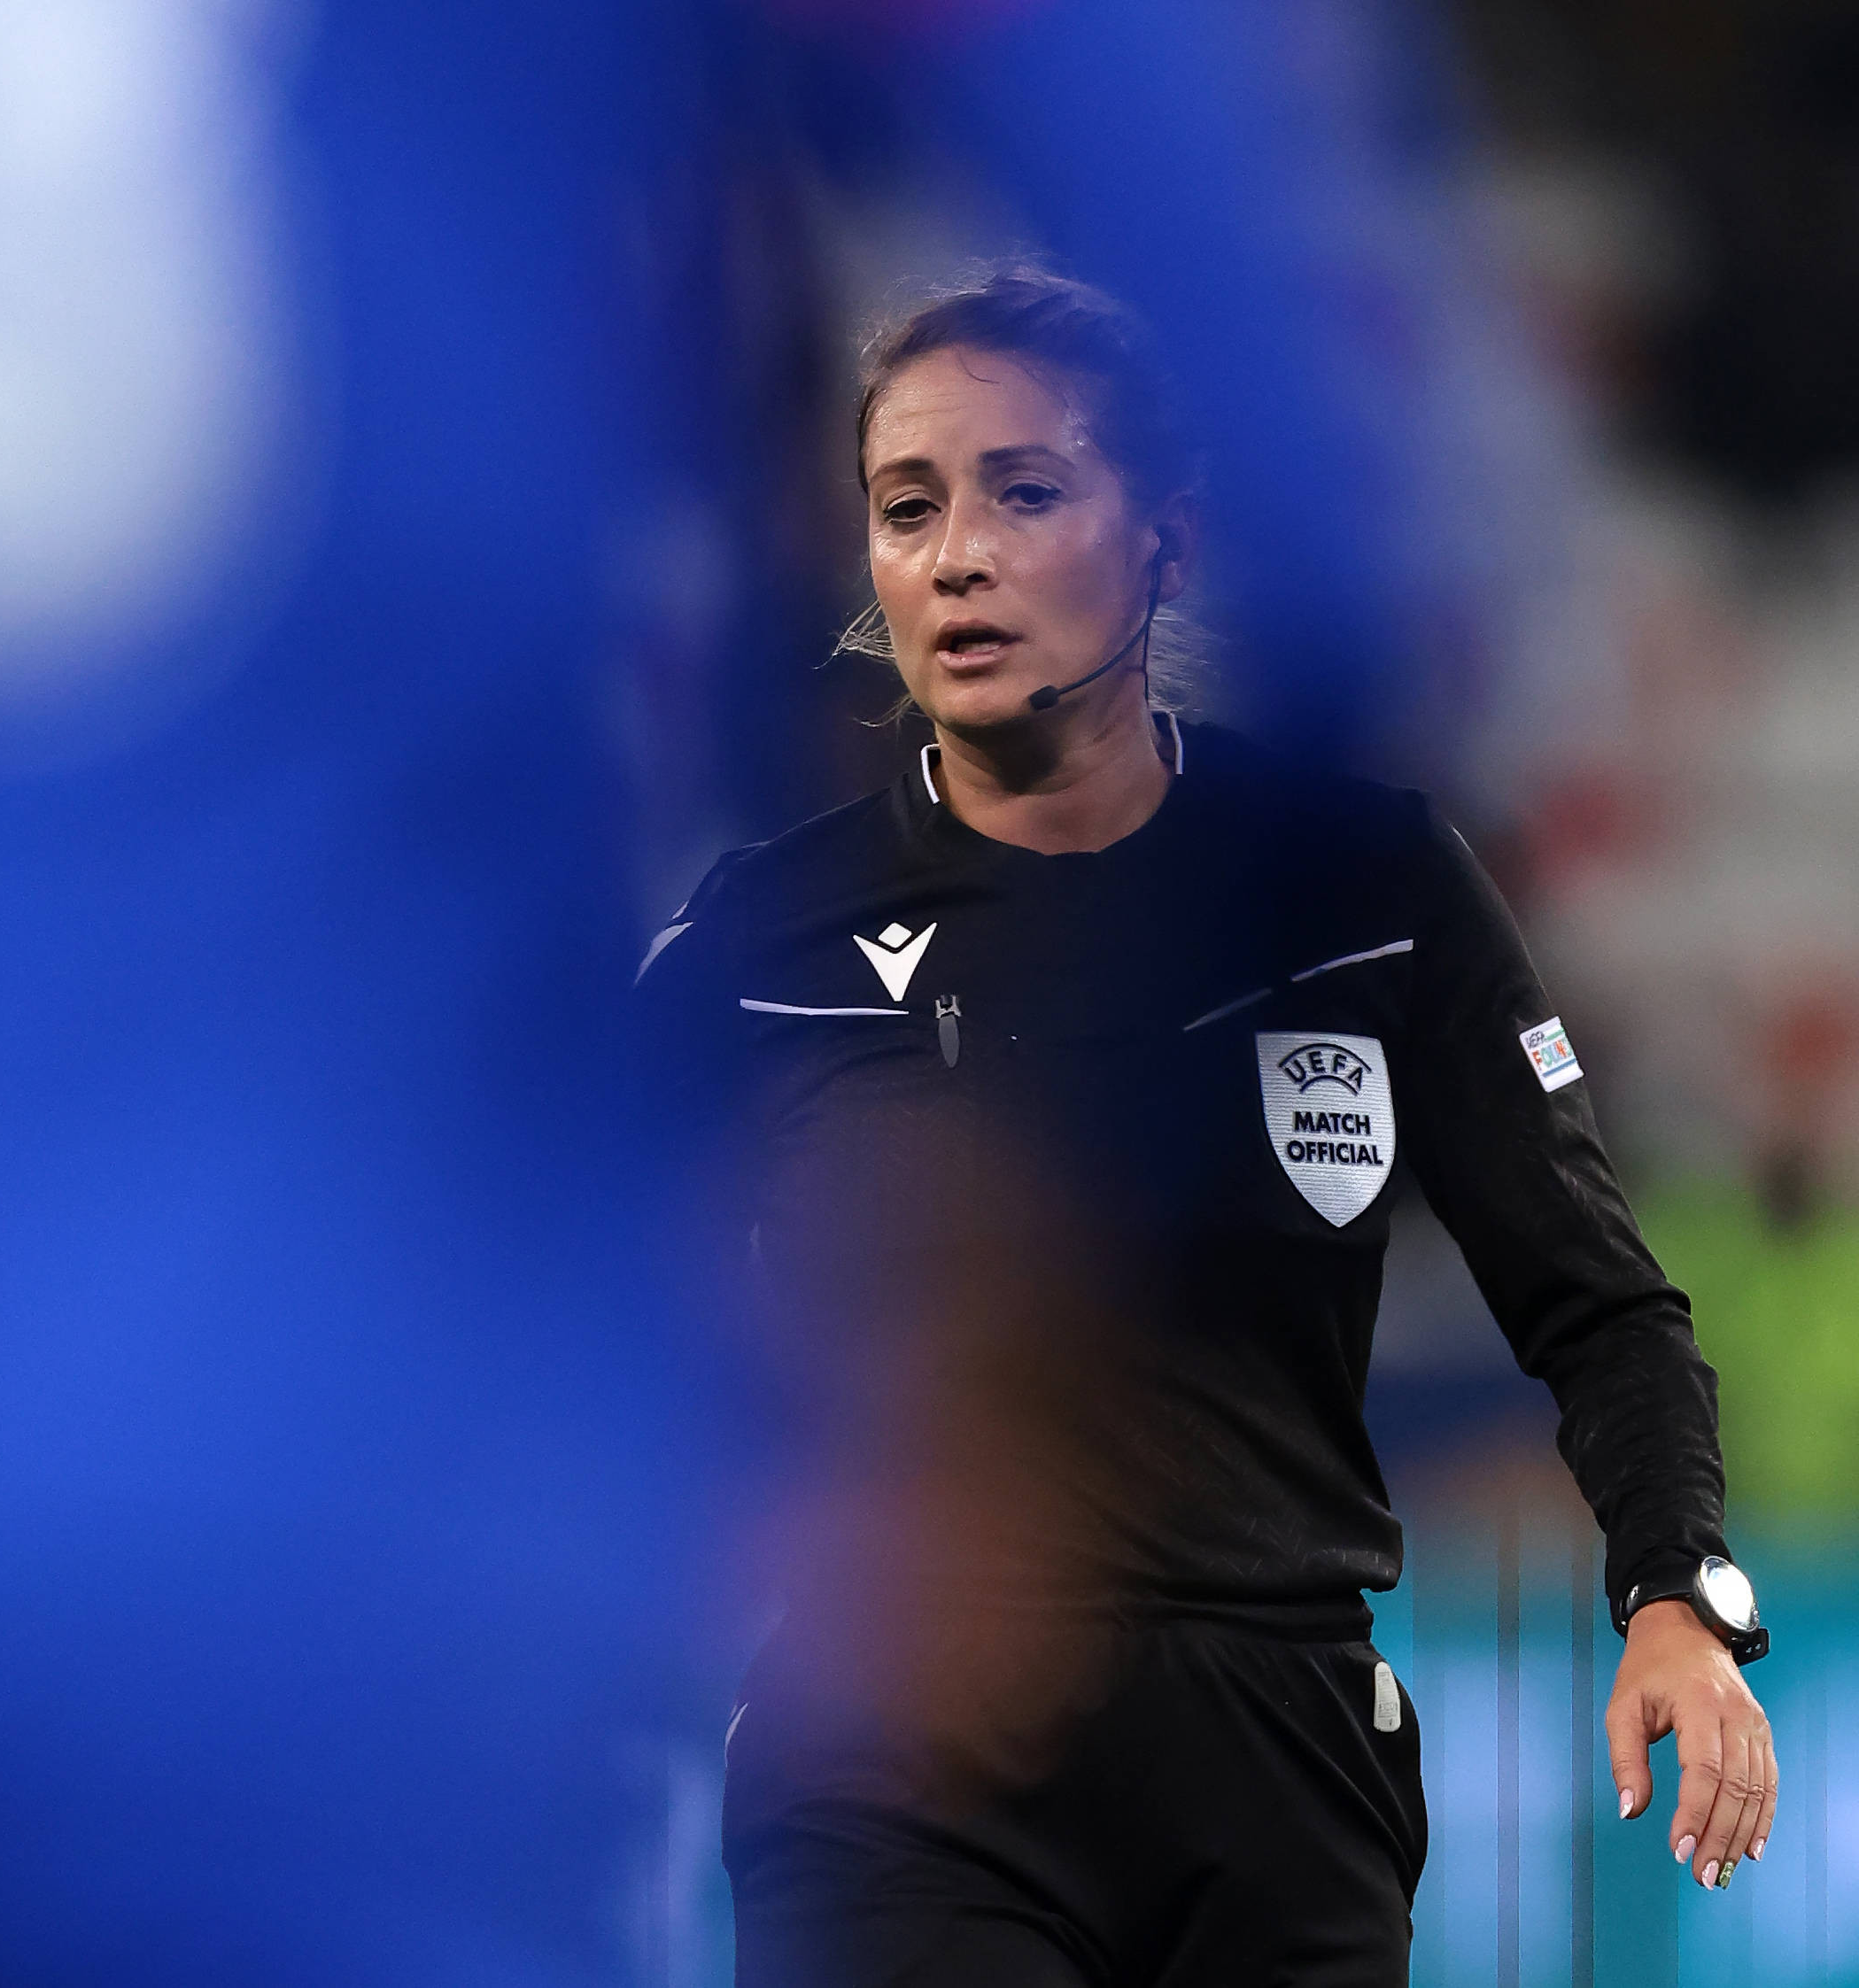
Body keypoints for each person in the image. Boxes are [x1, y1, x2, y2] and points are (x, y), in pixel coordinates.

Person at [637, 266, 1774, 1985]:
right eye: (907, 506)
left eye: (1027, 491)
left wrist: (1677, 1590)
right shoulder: (764, 935)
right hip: (895, 1757)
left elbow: (1600, 1305)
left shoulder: (1368, 891)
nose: (957, 556)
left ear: (1165, 535)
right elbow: (526, 1272)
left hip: (1281, 1758)